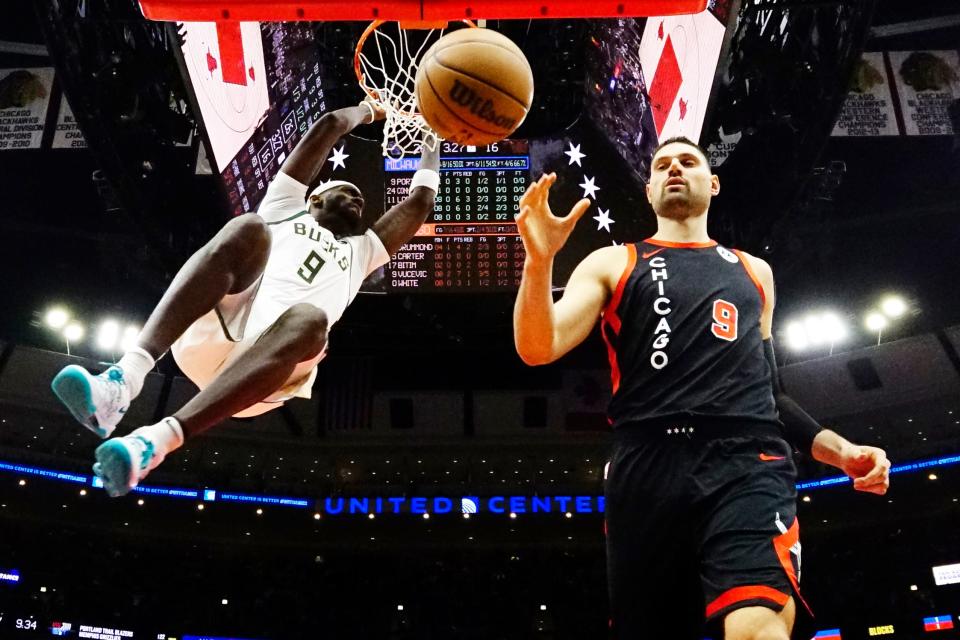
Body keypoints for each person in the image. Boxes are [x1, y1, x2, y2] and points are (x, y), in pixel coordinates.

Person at [512, 137, 891, 640]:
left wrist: (840, 451)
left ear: (712, 184)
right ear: (648, 191)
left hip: (745, 460)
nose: (674, 169)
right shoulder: (613, 261)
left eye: (688, 162)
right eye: (662, 165)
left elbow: (771, 392)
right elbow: (540, 346)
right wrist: (539, 263)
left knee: (758, 624)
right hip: (644, 463)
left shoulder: (756, 272)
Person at [51, 101, 440, 497]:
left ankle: (155, 442)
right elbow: (331, 124)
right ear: (315, 200)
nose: (358, 199)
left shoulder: (361, 254)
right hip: (213, 336)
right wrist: (371, 110)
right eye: (346, 191)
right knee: (250, 227)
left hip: (265, 372)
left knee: (310, 318)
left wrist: (432, 136)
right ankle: (123, 381)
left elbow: (420, 202)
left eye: (360, 199)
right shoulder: (285, 207)